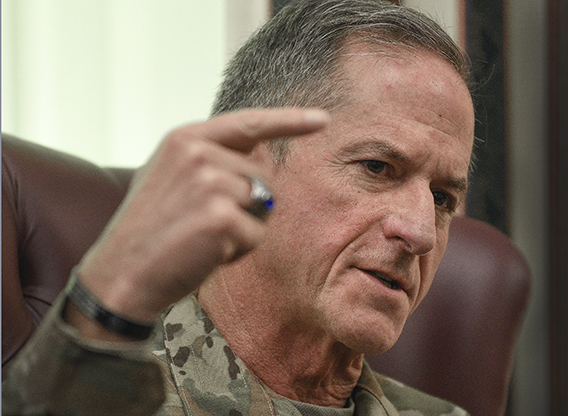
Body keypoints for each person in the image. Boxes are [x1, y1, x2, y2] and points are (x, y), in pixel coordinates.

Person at [2, 0, 475, 415]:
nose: (421, 233)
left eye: (442, 198)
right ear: (248, 166)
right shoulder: (96, 396)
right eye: (377, 167)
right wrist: (112, 293)